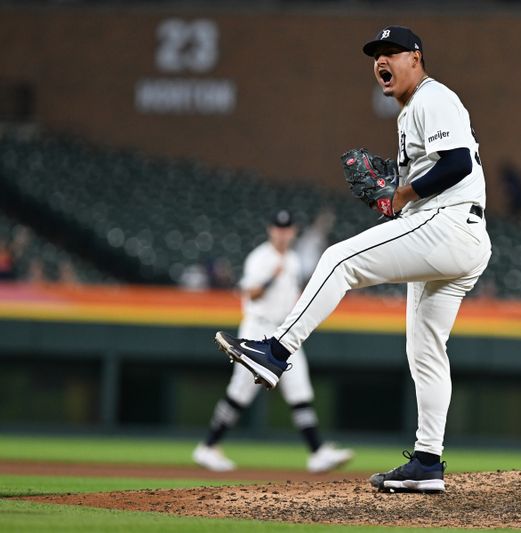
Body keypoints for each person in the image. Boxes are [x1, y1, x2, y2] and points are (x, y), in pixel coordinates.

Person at [214, 25, 491, 493]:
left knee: (339, 259)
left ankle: (275, 351)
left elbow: (458, 163)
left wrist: (400, 192)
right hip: (458, 236)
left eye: (391, 52)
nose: (381, 61)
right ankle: (427, 462)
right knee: (425, 351)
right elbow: (420, 185)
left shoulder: (432, 97)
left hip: (449, 224)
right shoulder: (408, 115)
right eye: (375, 55)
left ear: (416, 59)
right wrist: (399, 194)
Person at [194, 210, 353, 473]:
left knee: (300, 390)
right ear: (271, 230)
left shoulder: (292, 259)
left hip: (283, 333)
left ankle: (317, 453)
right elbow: (250, 294)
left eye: (287, 228)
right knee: (240, 392)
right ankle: (208, 447)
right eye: (278, 228)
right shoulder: (260, 258)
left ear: (292, 231)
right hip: (257, 328)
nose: (282, 233)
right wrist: (270, 277)